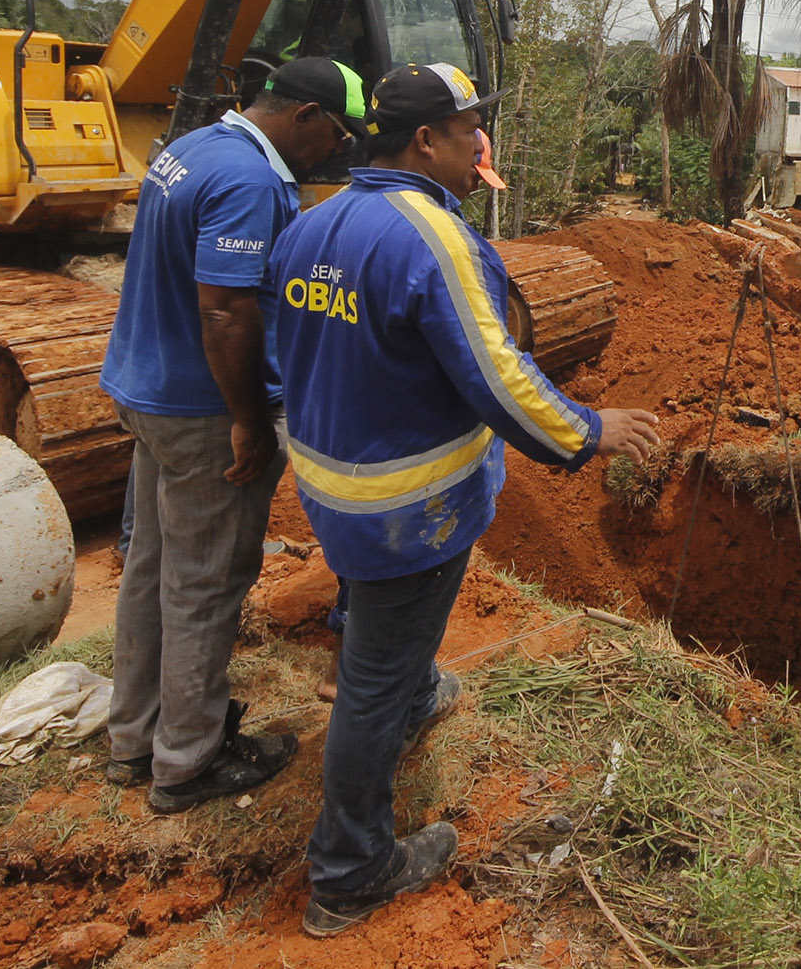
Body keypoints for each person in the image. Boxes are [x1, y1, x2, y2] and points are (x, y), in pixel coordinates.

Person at [271, 61, 661, 939]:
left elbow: (288, 348)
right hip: (408, 506)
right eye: (467, 128)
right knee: (370, 682)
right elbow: (497, 374)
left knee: (383, 640)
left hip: (334, 486)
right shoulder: (433, 238)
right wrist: (586, 429)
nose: (478, 142)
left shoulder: (314, 221)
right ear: (426, 140)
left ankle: (415, 696)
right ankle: (350, 872)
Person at [100, 57, 367, 814]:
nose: (335, 152)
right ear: (305, 115)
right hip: (202, 410)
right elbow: (224, 309)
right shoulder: (250, 181)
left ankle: (134, 736)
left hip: (147, 388)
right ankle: (188, 760)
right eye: (336, 135)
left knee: (152, 567)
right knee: (206, 581)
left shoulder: (193, 148)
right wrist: (249, 418)